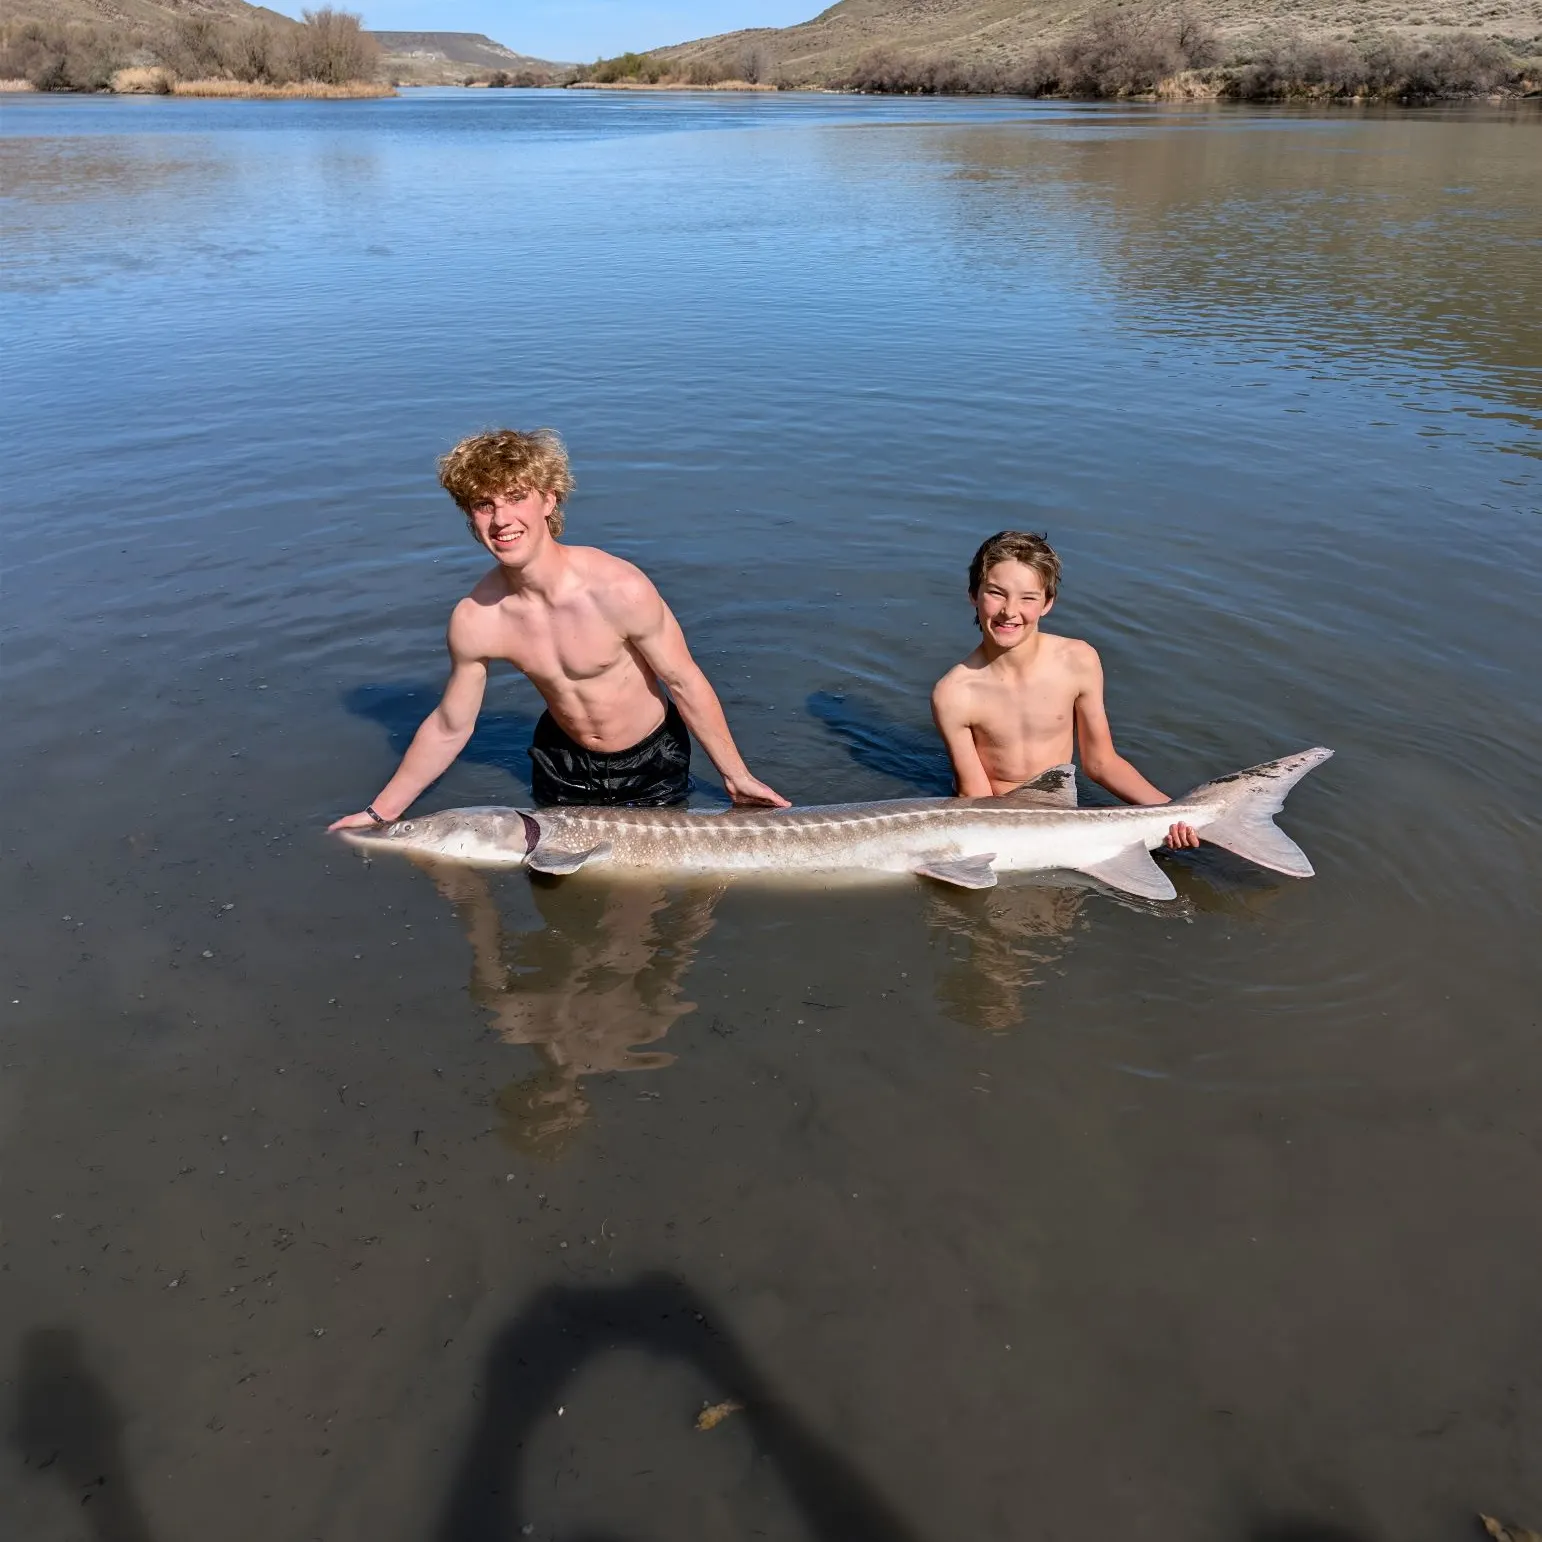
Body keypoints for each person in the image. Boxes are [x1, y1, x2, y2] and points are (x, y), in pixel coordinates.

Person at [329, 429, 787, 830]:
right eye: (484, 505)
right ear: (470, 516)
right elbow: (451, 726)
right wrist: (381, 812)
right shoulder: (476, 617)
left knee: (641, 902)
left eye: (515, 497)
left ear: (548, 499)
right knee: (556, 894)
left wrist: (735, 775)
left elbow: (683, 681)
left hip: (651, 759)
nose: (502, 519)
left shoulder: (618, 589)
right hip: (561, 762)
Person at [930, 531, 1198, 848]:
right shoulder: (954, 693)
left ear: (1048, 603)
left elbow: (1101, 764)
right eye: (996, 593)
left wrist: (1177, 815)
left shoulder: (1078, 660)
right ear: (974, 595)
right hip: (995, 818)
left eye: (1028, 598)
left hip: (1061, 809)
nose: (1010, 611)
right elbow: (974, 797)